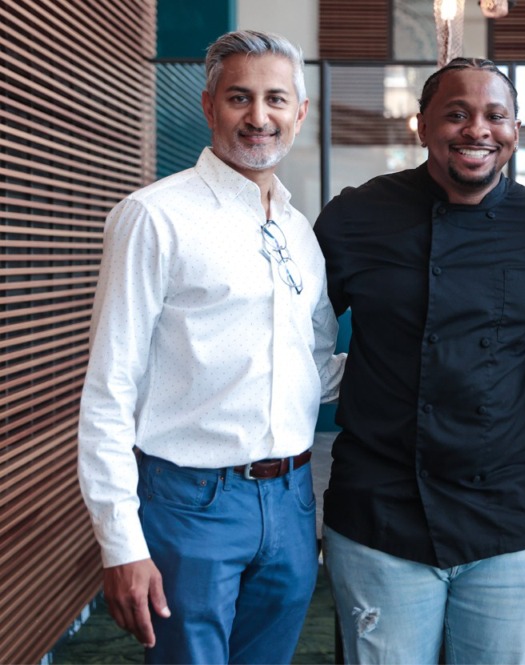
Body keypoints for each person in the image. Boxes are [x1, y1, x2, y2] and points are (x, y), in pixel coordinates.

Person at [77, 30, 345, 664]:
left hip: (291, 501)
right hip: (188, 503)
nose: (259, 117)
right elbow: (108, 389)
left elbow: (314, 369)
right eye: (239, 98)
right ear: (208, 107)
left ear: (300, 113)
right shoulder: (154, 216)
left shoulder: (299, 230)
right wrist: (121, 544)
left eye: (276, 99)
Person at [314, 57, 525, 664]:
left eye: (495, 115)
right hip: (381, 514)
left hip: (511, 521)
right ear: (422, 125)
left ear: (516, 128)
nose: (476, 130)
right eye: (456, 114)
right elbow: (295, 340)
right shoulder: (355, 217)